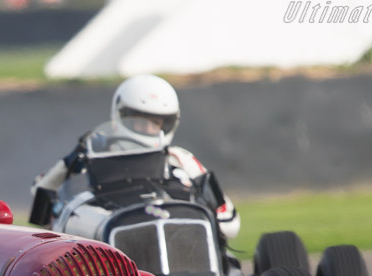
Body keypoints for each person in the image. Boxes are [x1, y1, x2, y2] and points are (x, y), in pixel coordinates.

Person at [32, 74, 241, 244]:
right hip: (116, 245)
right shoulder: (92, 157)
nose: (150, 129)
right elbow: (40, 194)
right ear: (121, 114)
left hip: (180, 238)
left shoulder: (179, 158)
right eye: (141, 121)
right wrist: (71, 160)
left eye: (157, 123)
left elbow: (228, 221)